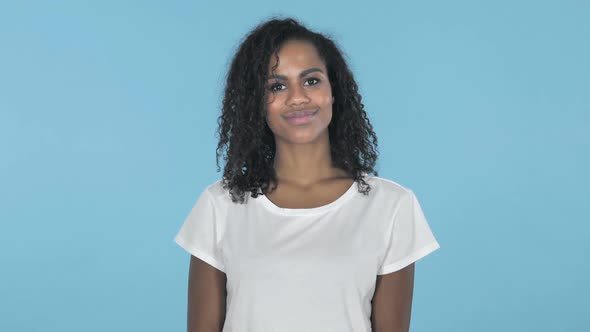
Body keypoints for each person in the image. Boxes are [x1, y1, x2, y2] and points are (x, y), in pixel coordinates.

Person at [174, 16, 440, 332]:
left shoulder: (391, 206)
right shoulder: (220, 205)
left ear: (334, 90)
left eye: (311, 80)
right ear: (256, 103)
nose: (298, 97)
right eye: (277, 85)